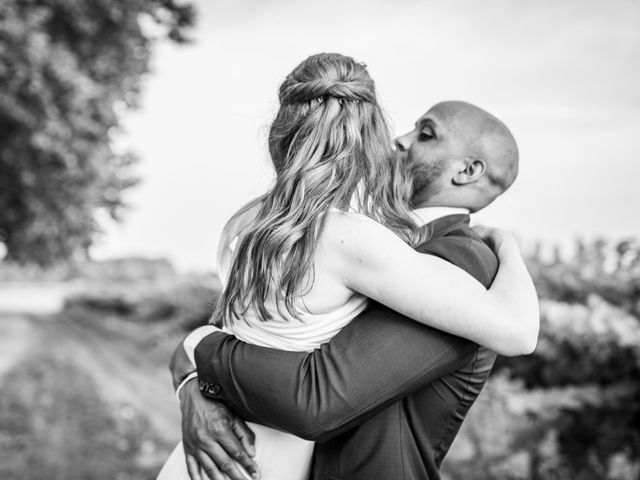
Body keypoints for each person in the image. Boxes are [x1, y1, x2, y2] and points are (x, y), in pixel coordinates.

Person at [158, 54, 538, 480]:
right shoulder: (357, 235)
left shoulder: (465, 260)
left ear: (468, 170)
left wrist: (196, 351)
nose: (400, 139)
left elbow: (316, 399)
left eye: (426, 134)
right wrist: (192, 382)